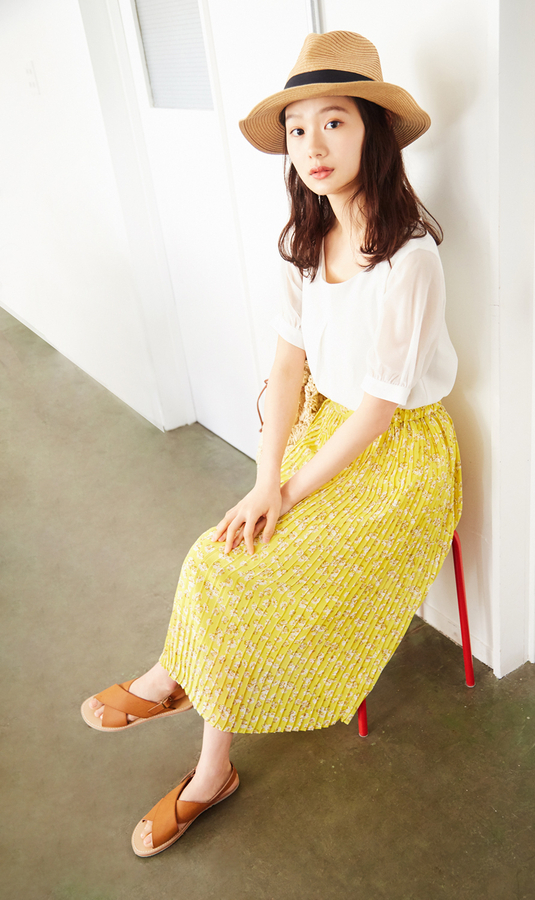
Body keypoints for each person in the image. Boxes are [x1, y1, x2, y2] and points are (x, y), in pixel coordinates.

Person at [81, 30, 462, 858]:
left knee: (249, 563)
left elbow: (378, 415)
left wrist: (284, 495)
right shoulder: (303, 242)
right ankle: (199, 738)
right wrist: (263, 482)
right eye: (297, 129)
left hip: (402, 456)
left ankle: (188, 715)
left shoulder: (410, 260)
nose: (312, 145)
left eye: (334, 122)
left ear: (372, 132)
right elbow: (287, 371)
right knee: (221, 550)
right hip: (326, 428)